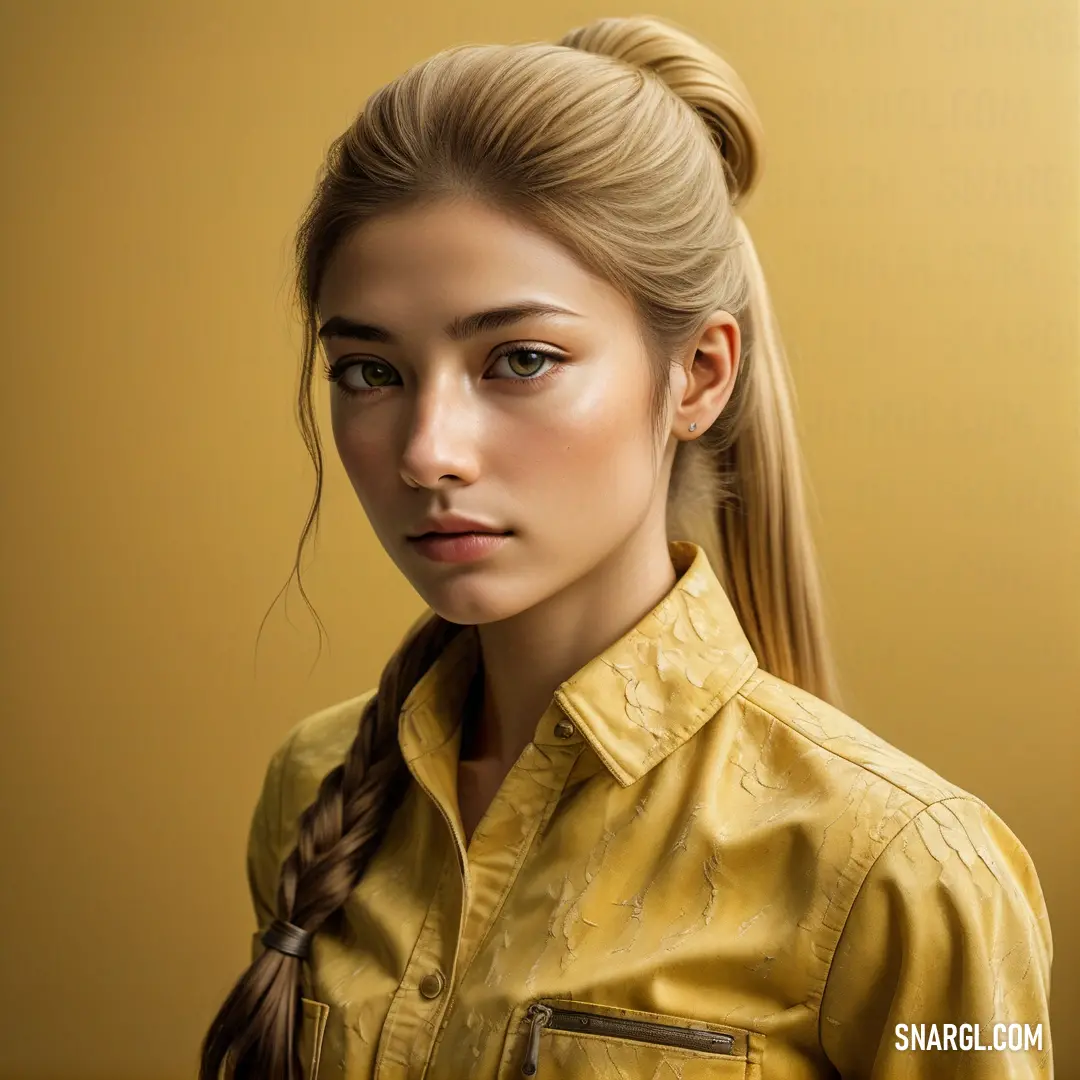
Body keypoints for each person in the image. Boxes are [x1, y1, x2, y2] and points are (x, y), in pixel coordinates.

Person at [199, 14, 1053, 1079]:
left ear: (697, 373)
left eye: (518, 358)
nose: (428, 453)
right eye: (371, 372)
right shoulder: (315, 787)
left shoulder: (907, 871)